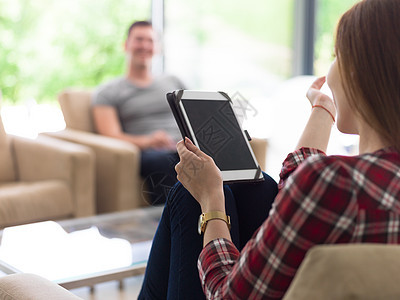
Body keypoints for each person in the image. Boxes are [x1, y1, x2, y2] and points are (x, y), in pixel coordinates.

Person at [138, 0, 400, 298]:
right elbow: (300, 188)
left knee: (188, 195)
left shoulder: (334, 184)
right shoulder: (357, 182)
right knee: (259, 187)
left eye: (336, 55)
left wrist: (211, 199)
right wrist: (323, 108)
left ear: (360, 73)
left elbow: (227, 294)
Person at [92, 21, 185, 205]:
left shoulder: (173, 81)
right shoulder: (108, 92)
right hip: (149, 152)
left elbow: (195, 114)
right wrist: (149, 140)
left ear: (157, 47)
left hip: (183, 145)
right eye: (139, 40)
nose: (144, 45)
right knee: (163, 161)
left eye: (150, 40)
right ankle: (168, 226)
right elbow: (110, 135)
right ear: (126, 45)